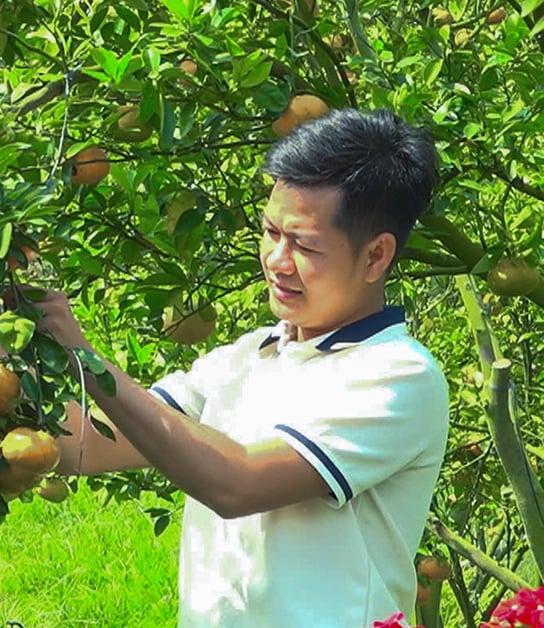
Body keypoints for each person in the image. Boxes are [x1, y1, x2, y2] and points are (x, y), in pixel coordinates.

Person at [29, 108, 449, 627]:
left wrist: (86, 356)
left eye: (305, 244)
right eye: (271, 232)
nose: (276, 259)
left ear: (376, 256)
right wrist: (4, 338)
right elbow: (85, 446)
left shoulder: (397, 376)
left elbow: (236, 483)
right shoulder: (247, 357)